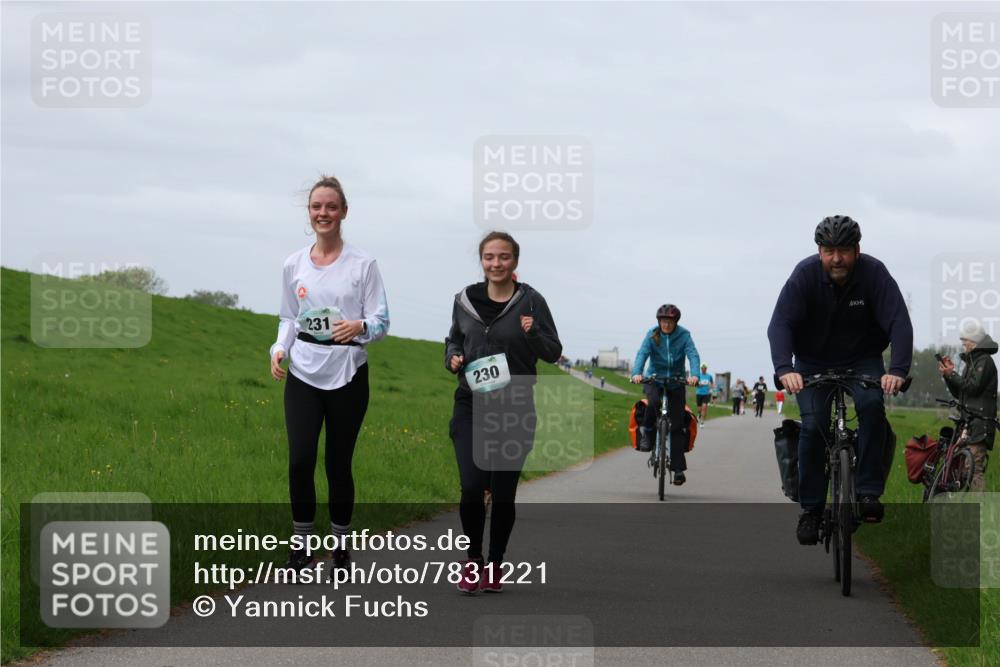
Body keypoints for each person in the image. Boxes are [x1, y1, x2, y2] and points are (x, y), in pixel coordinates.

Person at [269, 175, 390, 573]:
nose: (324, 213)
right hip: (304, 369)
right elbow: (289, 316)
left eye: (331, 207)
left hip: (348, 372)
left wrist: (359, 327)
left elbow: (381, 320)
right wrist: (280, 348)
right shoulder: (294, 264)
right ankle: (300, 548)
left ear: (344, 213)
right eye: (317, 207)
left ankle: (340, 547)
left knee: (338, 464)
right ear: (309, 213)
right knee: (300, 460)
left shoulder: (363, 264)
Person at [767, 215, 912, 545]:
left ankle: (868, 492)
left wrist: (898, 370)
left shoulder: (875, 274)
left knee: (873, 407)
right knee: (814, 423)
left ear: (857, 250)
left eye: (843, 250)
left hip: (862, 360)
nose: (836, 258)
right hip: (811, 362)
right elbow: (780, 325)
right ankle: (812, 510)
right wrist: (783, 368)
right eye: (829, 250)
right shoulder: (804, 276)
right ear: (819, 252)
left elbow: (899, 323)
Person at [445, 231, 562, 594]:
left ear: (515, 262)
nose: (496, 263)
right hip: (471, 404)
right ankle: (472, 561)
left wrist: (533, 333)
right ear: (482, 261)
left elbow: (553, 350)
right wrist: (452, 358)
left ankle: (495, 562)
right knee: (471, 487)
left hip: (515, 407)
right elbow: (453, 338)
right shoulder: (464, 300)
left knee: (503, 492)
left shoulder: (531, 301)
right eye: (490, 257)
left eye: (504, 257)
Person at [630, 304, 701, 485]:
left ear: (675, 322)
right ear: (659, 321)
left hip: (676, 382)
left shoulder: (684, 335)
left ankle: (678, 470)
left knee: (677, 425)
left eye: (669, 322)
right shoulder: (652, 334)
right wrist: (637, 373)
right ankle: (647, 435)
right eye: (663, 321)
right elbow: (642, 354)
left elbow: (693, 354)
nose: (666, 325)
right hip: (655, 379)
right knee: (652, 403)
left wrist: (694, 375)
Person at [938, 319, 997, 492]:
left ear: (974, 342)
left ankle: (985, 512)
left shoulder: (984, 361)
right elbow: (960, 393)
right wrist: (948, 376)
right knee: (963, 471)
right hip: (969, 422)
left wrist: (952, 374)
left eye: (965, 342)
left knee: (974, 470)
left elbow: (973, 388)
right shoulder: (972, 362)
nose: (963, 346)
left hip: (980, 424)